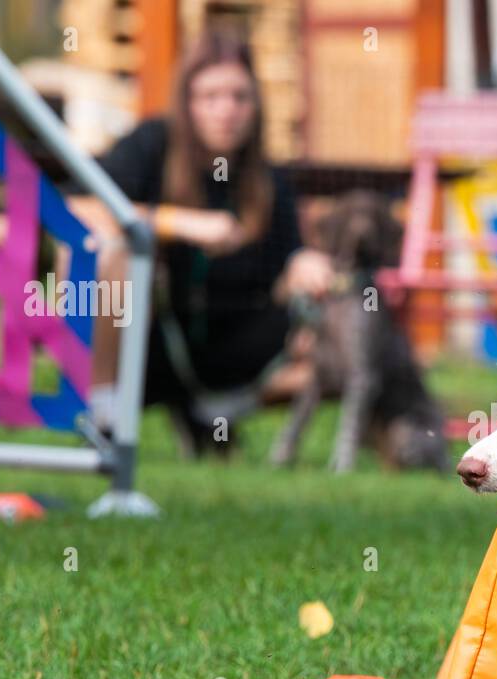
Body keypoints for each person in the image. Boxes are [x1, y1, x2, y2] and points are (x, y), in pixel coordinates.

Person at [70, 30, 333, 453]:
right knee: (112, 249)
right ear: (187, 103)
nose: (225, 110)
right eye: (209, 97)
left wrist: (303, 265)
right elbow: (81, 207)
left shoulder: (268, 179)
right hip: (153, 345)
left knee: (335, 338)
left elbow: (288, 265)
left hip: (238, 351)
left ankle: (216, 416)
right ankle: (103, 418)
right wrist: (178, 223)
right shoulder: (153, 143)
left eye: (239, 97)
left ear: (256, 105)